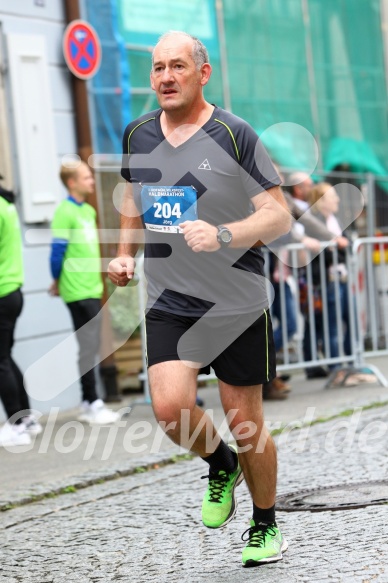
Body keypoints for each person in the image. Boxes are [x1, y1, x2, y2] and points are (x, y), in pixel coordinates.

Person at [108, 31, 291, 567]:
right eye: (158, 68)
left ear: (202, 73)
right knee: (169, 409)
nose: (166, 77)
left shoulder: (234, 134)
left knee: (245, 420)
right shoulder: (138, 133)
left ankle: (264, 524)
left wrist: (225, 234)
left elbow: (277, 215)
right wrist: (124, 254)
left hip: (235, 301)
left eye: (178, 66)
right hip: (171, 295)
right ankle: (219, 465)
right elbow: (133, 198)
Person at [49, 161, 119, 425]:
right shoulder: (63, 212)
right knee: (88, 347)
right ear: (72, 183)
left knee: (90, 346)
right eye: (86, 177)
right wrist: (56, 280)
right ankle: (92, 402)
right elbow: (57, 252)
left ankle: (89, 401)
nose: (91, 181)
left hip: (92, 287)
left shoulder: (88, 211)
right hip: (77, 289)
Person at [0, 183, 42, 447]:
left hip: (2, 291)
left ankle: (17, 426)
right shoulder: (6, 204)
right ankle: (26, 418)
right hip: (12, 291)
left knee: (0, 360)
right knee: (5, 356)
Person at [302, 182, 351, 369]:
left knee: (347, 319)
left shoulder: (335, 220)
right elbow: (327, 252)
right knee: (327, 324)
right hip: (324, 280)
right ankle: (334, 367)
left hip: (341, 277)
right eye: (333, 196)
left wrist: (338, 249)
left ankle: (351, 361)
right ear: (321, 201)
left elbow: (346, 244)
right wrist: (338, 249)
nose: (337, 199)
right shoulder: (314, 222)